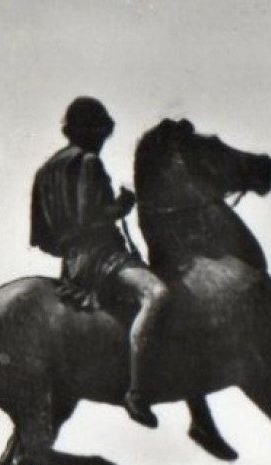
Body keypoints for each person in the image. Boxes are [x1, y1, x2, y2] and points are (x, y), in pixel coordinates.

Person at [30, 96, 169, 428]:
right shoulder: (88, 162)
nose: (103, 140)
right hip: (103, 257)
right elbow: (90, 216)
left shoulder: (45, 171)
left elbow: (42, 238)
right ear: (91, 131)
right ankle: (137, 392)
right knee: (157, 294)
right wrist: (122, 205)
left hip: (71, 265)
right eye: (101, 133)